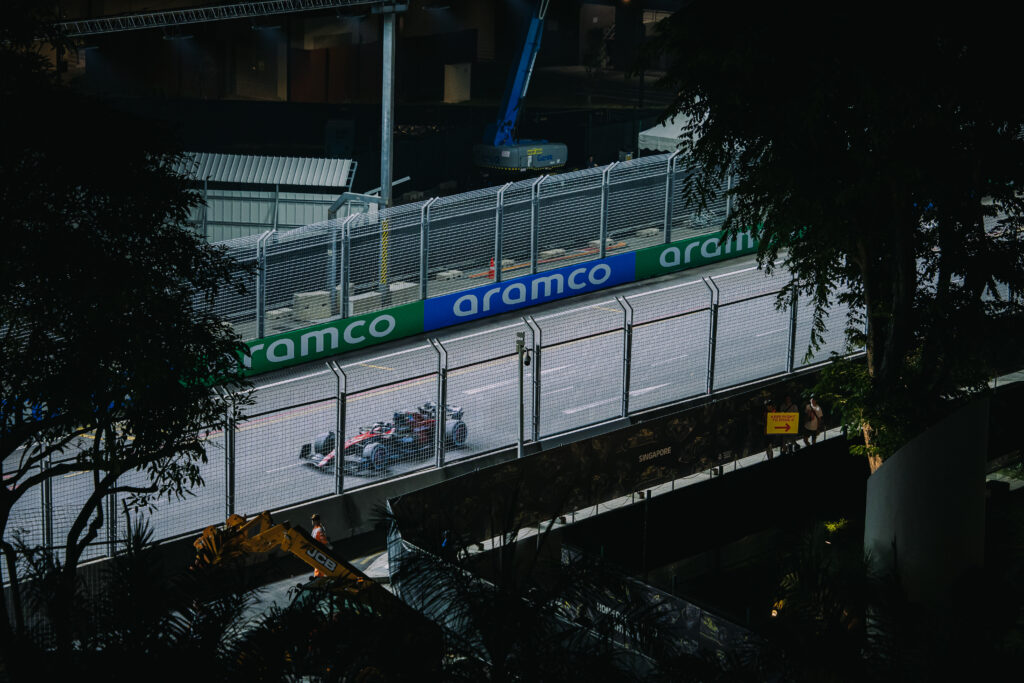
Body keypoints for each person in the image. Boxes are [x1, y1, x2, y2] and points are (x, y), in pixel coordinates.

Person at [311, 513, 329, 578]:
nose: (313, 521)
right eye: (313, 520)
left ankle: (318, 577)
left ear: (318, 520)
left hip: (320, 550)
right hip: (316, 550)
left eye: (314, 520)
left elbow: (323, 540)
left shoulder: (320, 529)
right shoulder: (314, 529)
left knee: (320, 566)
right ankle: (318, 577)